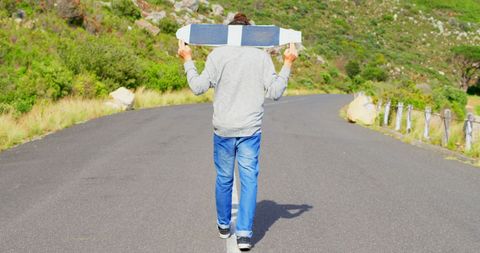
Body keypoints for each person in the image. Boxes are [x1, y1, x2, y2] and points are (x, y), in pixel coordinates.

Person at [177, 13, 298, 251]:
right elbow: (275, 92)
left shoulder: (217, 55)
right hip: (250, 131)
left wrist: (187, 59)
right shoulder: (261, 57)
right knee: (249, 181)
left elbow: (198, 87)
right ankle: (243, 234)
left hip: (223, 129)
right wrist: (288, 63)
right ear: (250, 33)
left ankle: (224, 225)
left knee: (224, 178)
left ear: (229, 32)